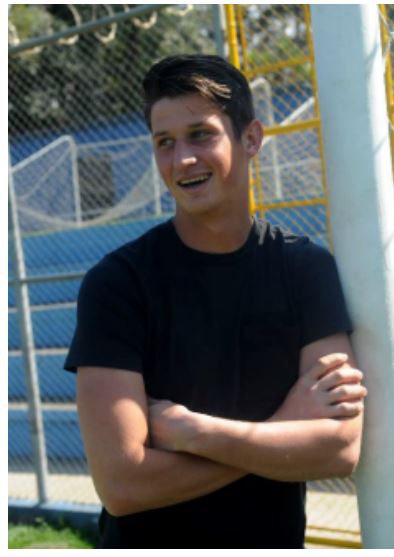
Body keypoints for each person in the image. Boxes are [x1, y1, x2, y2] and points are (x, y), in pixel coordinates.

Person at [64, 55, 367, 548]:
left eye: (200, 134)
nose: (182, 158)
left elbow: (338, 449)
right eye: (165, 142)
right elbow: (122, 485)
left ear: (250, 139)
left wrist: (192, 431)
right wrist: (281, 430)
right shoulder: (116, 284)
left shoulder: (304, 269)